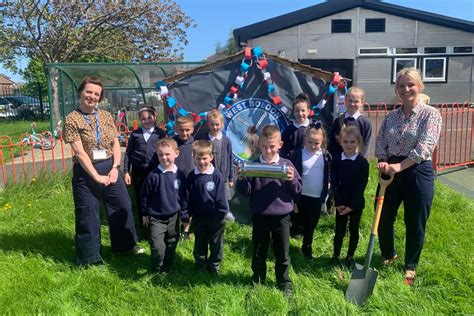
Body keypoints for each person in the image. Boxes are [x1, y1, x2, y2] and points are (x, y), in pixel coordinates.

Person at [63, 76, 142, 267]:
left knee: (122, 206)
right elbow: (80, 153)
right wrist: (96, 176)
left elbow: (116, 142)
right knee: (87, 214)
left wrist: (115, 168)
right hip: (86, 171)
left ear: (100, 97)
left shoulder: (106, 116)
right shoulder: (72, 119)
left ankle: (125, 246)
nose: (92, 96)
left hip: (109, 166)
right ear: (81, 92)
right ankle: (90, 258)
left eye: (96, 94)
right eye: (88, 92)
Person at [375, 68, 442, 285]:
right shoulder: (391, 116)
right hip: (390, 172)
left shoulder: (430, 114)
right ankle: (389, 255)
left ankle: (410, 266)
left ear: (419, 86)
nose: (406, 89)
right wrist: (384, 160)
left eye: (410, 84)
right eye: (401, 85)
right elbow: (380, 141)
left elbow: (425, 146)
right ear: (397, 90)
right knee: (383, 218)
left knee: (415, 221)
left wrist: (399, 166)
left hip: (417, 170)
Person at [236, 125, 302, 295]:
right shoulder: (253, 165)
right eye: (264, 146)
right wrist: (242, 179)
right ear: (258, 144)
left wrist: (291, 179)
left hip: (282, 217)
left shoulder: (287, 165)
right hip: (260, 216)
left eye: (272, 146)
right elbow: (246, 192)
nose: (268, 150)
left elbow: (298, 190)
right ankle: (258, 280)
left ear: (280, 144)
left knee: (282, 252)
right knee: (258, 251)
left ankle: (284, 283)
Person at [140, 138, 187, 273]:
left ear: (176, 153)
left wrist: (184, 214)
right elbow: (144, 195)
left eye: (167, 154)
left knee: (172, 242)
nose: (164, 158)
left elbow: (184, 196)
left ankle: (167, 267)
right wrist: (145, 213)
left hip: (174, 216)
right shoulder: (153, 175)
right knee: (157, 245)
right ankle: (156, 267)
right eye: (160, 155)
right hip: (156, 217)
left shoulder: (180, 175)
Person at [183, 140, 228, 276]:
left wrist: (222, 212)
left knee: (216, 243)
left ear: (211, 158)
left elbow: (221, 197)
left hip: (216, 218)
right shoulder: (192, 176)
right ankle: (200, 265)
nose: (202, 162)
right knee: (200, 242)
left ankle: (214, 266)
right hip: (199, 217)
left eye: (205, 158)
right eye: (198, 158)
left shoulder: (217, 176)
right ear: (193, 157)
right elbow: (187, 196)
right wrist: (186, 213)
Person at [290, 122, 330, 260]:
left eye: (317, 143)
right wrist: (293, 198)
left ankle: (307, 246)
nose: (313, 146)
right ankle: (288, 237)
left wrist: (328, 188)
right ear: (305, 138)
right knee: (297, 220)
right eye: (310, 142)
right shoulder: (297, 155)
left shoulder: (325, 156)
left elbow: (329, 174)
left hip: (317, 197)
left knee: (311, 224)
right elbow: (292, 177)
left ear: (322, 141)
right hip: (301, 196)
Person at [330, 125, 369, 268]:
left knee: (354, 229)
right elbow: (334, 182)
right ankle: (335, 255)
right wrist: (339, 202)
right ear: (340, 142)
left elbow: (360, 186)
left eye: (352, 142)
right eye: (345, 142)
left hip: (355, 202)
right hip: (341, 202)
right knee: (339, 230)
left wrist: (352, 205)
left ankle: (350, 256)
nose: (349, 145)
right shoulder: (335, 160)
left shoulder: (362, 163)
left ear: (358, 142)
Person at [123, 106, 166, 236]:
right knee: (141, 198)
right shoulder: (135, 134)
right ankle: (143, 227)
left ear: (155, 117)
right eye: (143, 119)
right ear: (140, 120)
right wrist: (126, 171)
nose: (147, 121)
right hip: (138, 173)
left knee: (155, 197)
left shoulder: (160, 134)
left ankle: (156, 227)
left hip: (155, 172)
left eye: (149, 118)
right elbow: (128, 154)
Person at [196, 109, 236, 221]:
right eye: (212, 124)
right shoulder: (204, 140)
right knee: (210, 197)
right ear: (208, 124)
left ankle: (224, 220)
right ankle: (210, 218)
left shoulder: (226, 140)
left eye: (217, 124)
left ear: (222, 124)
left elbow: (229, 158)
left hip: (223, 178)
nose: (215, 127)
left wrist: (231, 177)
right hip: (209, 177)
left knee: (223, 199)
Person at [328, 86, 372, 158]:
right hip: (340, 162)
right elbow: (333, 144)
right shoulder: (338, 121)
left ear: (362, 102)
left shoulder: (366, 123)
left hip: (358, 162)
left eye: (356, 101)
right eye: (350, 100)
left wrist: (359, 159)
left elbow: (365, 145)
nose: (352, 104)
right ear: (345, 101)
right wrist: (337, 159)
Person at [280, 93, 311, 159]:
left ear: (308, 111)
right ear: (293, 112)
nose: (300, 113)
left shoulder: (312, 128)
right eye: (297, 111)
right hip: (292, 164)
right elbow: (283, 148)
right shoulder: (289, 130)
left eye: (303, 110)